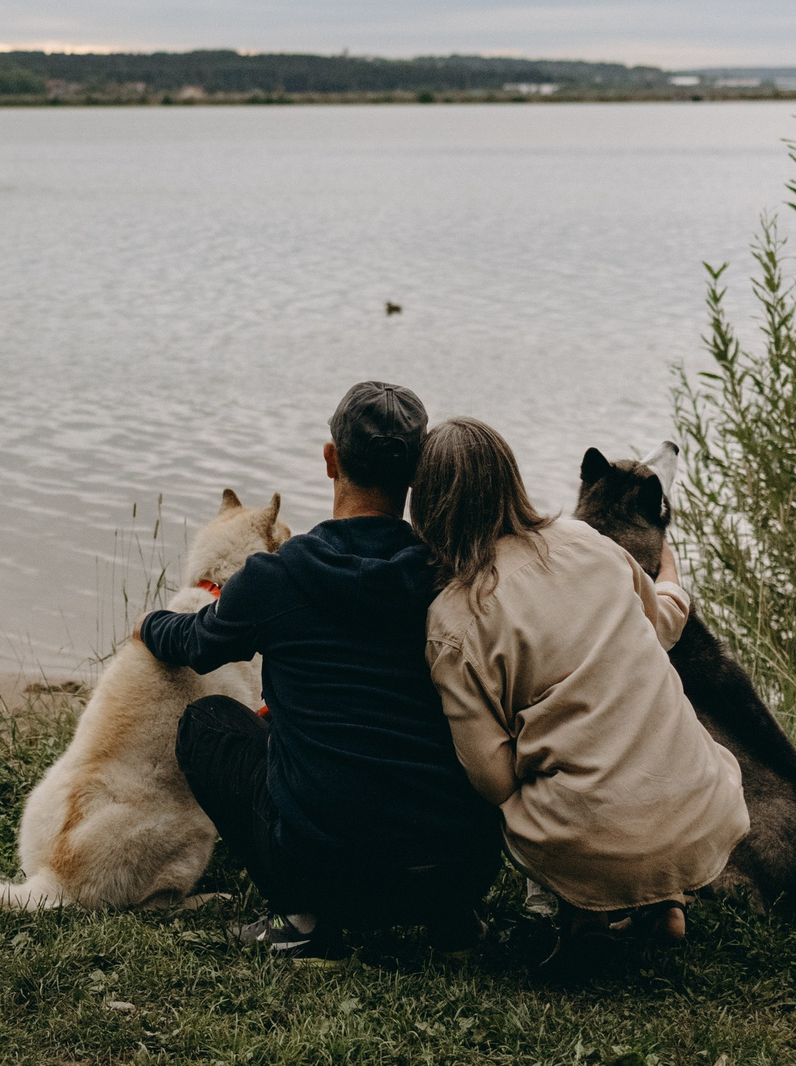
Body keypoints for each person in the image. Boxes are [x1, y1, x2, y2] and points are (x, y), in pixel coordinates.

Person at [139, 381, 499, 957]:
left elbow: (195, 643)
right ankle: (454, 925)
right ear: (414, 473)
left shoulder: (274, 578)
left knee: (206, 722)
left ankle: (302, 922)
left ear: (330, 459)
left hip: (328, 877)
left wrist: (150, 623)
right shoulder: (452, 576)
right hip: (456, 869)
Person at [413, 417, 748, 936]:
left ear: (427, 507)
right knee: (639, 730)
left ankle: (581, 912)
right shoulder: (585, 540)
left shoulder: (452, 619)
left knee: (534, 785)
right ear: (511, 480)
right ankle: (666, 903)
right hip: (703, 811)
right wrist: (670, 572)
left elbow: (494, 780)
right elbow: (659, 626)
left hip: (590, 842)